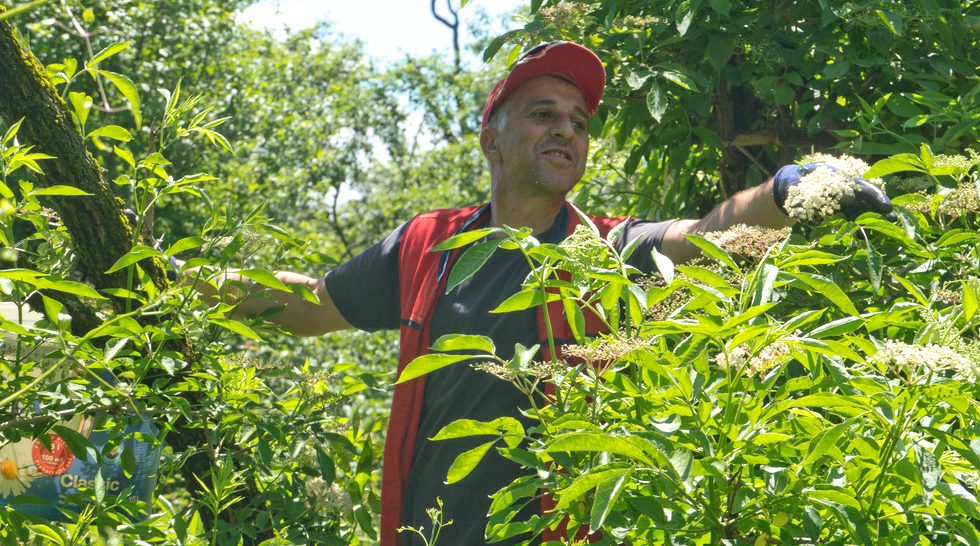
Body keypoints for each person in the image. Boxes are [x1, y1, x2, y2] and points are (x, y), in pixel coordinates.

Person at [204, 41, 893, 546]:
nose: (567, 127)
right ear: (491, 138)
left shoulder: (606, 252)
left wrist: (784, 194)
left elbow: (703, 233)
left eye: (579, 120)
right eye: (543, 113)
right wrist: (175, 284)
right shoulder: (426, 246)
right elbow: (310, 306)